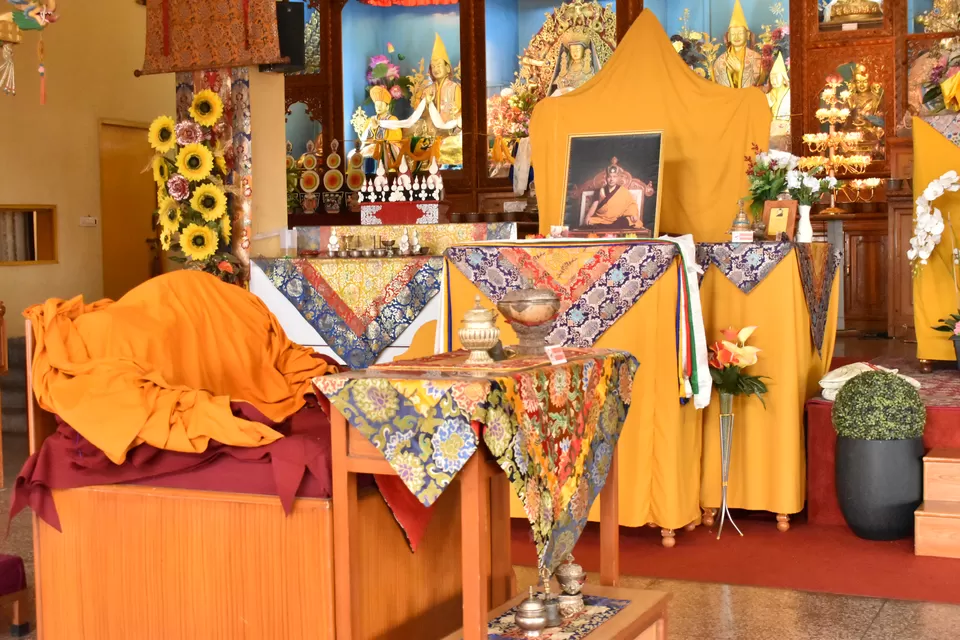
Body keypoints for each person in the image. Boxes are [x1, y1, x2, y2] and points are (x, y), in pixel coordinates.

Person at [712, 0, 763, 89]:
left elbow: (757, 83)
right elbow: (719, 88)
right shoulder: (720, 61)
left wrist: (741, 70)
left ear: (747, 35)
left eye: (740, 33)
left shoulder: (756, 58)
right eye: (733, 34)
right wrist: (728, 74)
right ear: (728, 37)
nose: (736, 37)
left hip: (748, 99)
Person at [584, 159, 645, 229]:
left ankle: (607, 228)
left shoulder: (624, 192)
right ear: (606, 178)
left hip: (617, 220)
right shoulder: (599, 191)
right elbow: (594, 205)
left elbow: (631, 205)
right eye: (609, 177)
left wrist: (633, 215)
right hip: (602, 219)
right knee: (590, 222)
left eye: (614, 176)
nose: (611, 179)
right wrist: (588, 216)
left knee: (627, 221)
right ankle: (608, 228)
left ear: (618, 178)